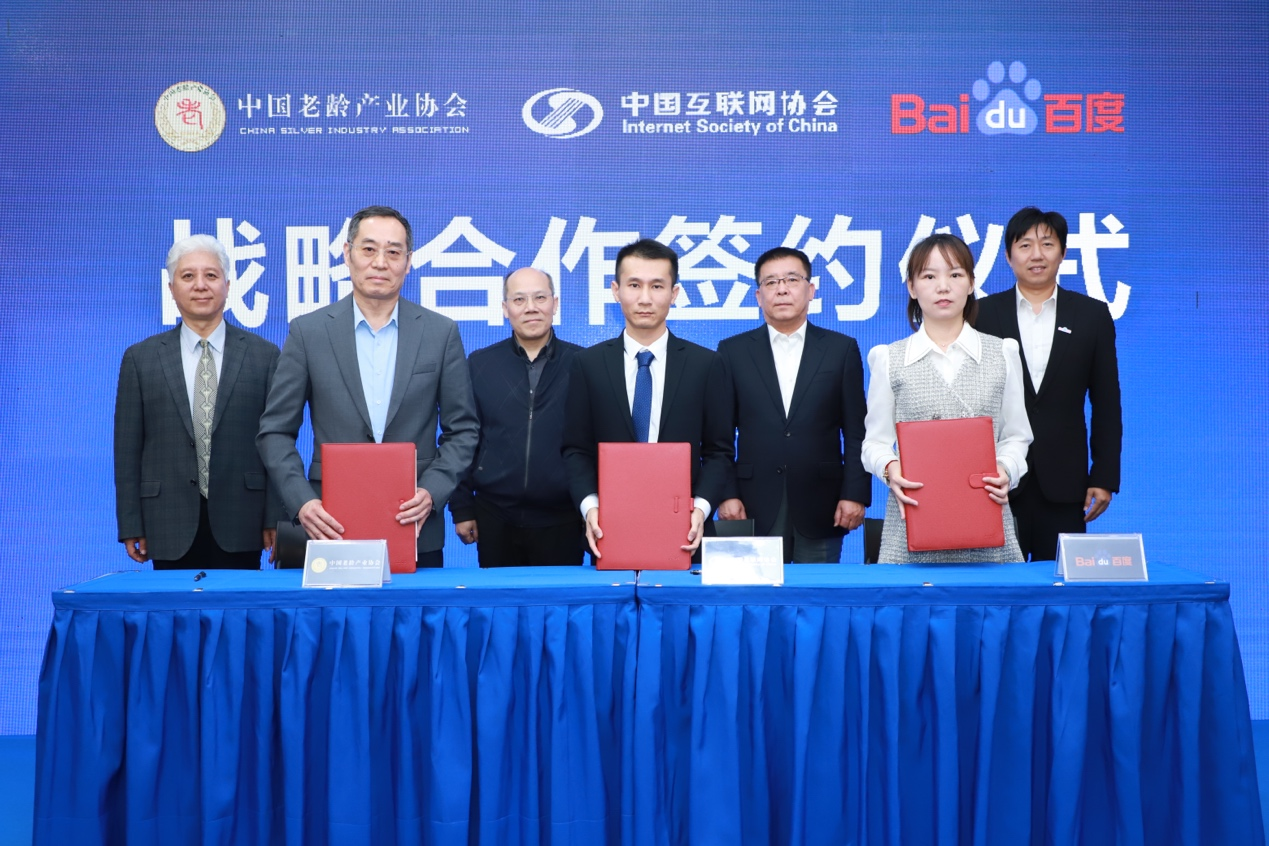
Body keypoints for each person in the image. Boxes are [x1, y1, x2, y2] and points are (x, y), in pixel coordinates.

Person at [256, 205, 478, 568]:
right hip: (329, 522)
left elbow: (463, 430)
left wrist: (432, 491)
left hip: (415, 521)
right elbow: (274, 432)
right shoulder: (308, 332)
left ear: (409, 261)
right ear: (347, 254)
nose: (380, 263)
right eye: (369, 249)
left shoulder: (440, 333)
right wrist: (302, 502)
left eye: (393, 252)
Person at [861, 233, 1033, 563]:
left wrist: (1005, 469)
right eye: (929, 276)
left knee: (995, 597)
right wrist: (890, 468)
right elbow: (874, 443)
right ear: (912, 287)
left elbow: (1016, 435)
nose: (943, 287)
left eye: (955, 274)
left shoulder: (1002, 352)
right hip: (910, 525)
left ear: (971, 283)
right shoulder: (888, 358)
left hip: (986, 521)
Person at [114, 235, 281, 569]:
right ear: (171, 288)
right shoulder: (141, 359)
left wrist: (275, 516)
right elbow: (127, 450)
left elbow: (276, 443)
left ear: (228, 285)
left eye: (211, 275)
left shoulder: (264, 356)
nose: (200, 285)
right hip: (166, 519)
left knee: (238, 603)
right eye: (188, 276)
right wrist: (131, 522)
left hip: (243, 519)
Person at [561, 238, 733, 560]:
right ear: (616, 291)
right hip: (608, 527)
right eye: (634, 285)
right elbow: (576, 449)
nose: (645, 298)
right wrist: (590, 506)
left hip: (685, 529)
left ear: (674, 293)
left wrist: (700, 508)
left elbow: (719, 451)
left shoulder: (706, 364)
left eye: (657, 286)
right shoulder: (587, 364)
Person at [974, 207, 1122, 561]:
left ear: (1063, 252)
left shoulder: (1091, 315)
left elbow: (1106, 403)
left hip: (1065, 482)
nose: (1036, 255)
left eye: (1047, 244)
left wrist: (1103, 476)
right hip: (996, 481)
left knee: (1059, 586)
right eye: (1025, 245)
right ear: (1008, 255)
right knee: (997, 586)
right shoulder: (981, 314)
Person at [715, 246, 870, 563]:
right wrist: (726, 493)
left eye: (791, 279)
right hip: (751, 503)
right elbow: (720, 436)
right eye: (771, 282)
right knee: (756, 592)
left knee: (816, 592)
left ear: (811, 290)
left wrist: (855, 493)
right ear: (758, 296)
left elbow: (857, 432)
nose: (782, 289)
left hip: (823, 503)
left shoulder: (840, 349)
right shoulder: (732, 352)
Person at [448, 268, 585, 566]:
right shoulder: (480, 364)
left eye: (540, 298)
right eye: (519, 299)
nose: (531, 307)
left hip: (564, 518)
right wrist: (462, 508)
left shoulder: (583, 364)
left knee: (560, 597)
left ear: (555, 304)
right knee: (499, 598)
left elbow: (593, 444)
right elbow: (463, 437)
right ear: (505, 308)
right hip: (494, 516)